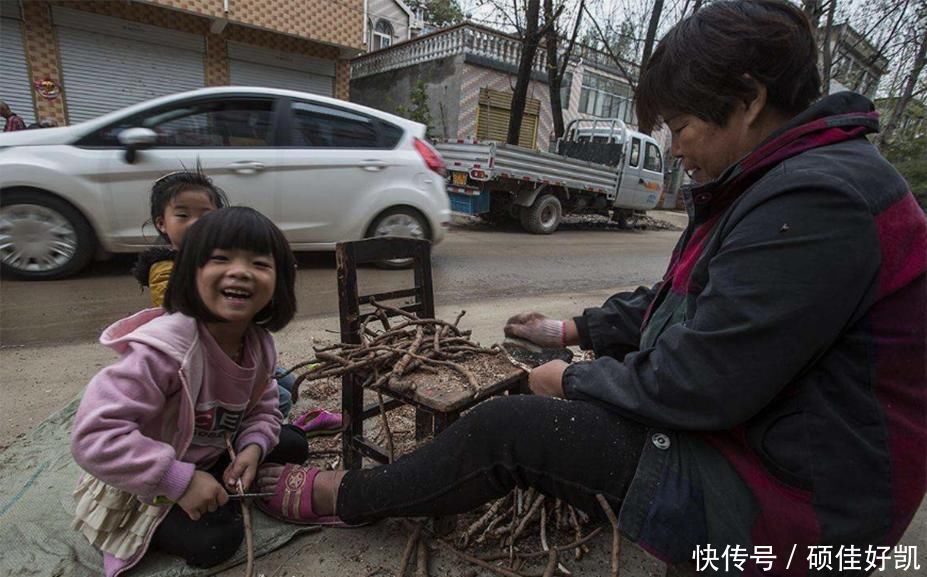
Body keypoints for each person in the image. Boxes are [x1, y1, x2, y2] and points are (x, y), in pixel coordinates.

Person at [252, 1, 926, 575]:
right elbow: (687, 302)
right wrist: (577, 330)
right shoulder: (783, 179)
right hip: (779, 449)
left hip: (805, 510)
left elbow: (697, 385)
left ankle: (346, 495)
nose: (674, 148)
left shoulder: (818, 198)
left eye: (682, 126)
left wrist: (569, 381)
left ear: (748, 100)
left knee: (509, 428)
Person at [70, 207, 307, 576]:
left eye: (260, 264)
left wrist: (252, 448)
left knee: (294, 444)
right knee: (216, 540)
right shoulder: (163, 353)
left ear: (279, 284)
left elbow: (264, 403)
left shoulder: (259, 345)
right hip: (147, 471)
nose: (241, 271)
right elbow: (94, 436)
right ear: (189, 273)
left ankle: (226, 472)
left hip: (210, 447)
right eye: (221, 259)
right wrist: (179, 481)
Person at [131, 168, 299, 417]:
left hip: (232, 345)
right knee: (281, 400)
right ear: (161, 223)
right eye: (183, 215)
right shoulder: (165, 270)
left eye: (205, 214)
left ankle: (251, 433)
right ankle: (225, 435)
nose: (195, 223)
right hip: (195, 354)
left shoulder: (259, 341)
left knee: (288, 381)